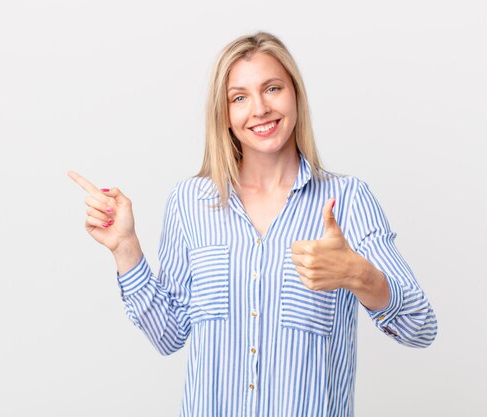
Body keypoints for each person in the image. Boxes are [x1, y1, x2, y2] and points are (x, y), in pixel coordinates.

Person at [68, 31, 437, 417]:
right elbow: (169, 335)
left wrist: (360, 276)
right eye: (239, 97)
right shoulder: (190, 203)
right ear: (224, 115)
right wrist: (125, 247)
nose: (259, 109)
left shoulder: (348, 201)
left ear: (295, 95)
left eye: (272, 88)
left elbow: (421, 328)